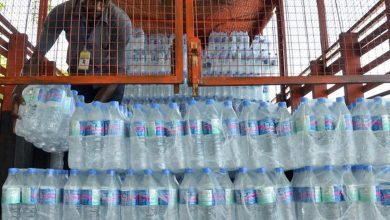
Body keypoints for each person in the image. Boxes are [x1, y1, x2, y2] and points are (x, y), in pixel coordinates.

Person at [12, 0, 132, 129]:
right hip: (79, 76)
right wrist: (19, 89)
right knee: (74, 127)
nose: (97, 7)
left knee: (103, 128)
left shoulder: (121, 22)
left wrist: (91, 112)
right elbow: (36, 57)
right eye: (91, 2)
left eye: (102, 2)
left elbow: (116, 75)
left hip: (110, 82)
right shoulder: (62, 12)